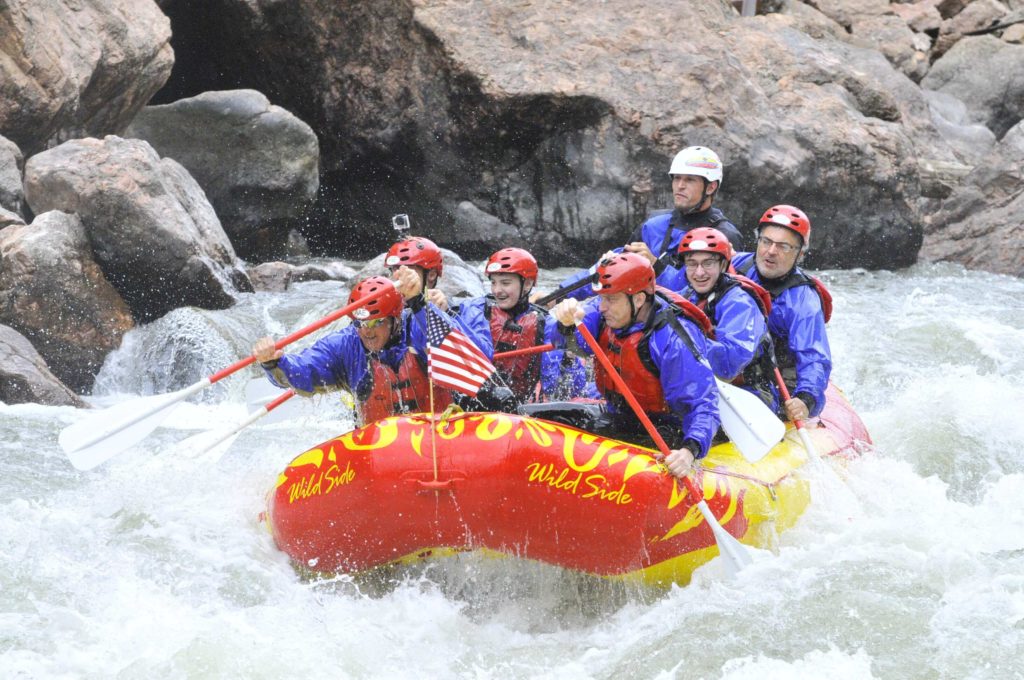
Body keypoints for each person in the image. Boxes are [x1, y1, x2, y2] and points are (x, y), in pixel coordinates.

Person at [539, 252, 720, 476]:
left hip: (666, 430)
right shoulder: (604, 312)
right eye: (602, 298)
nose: (602, 307)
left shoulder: (672, 339)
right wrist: (565, 324)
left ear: (639, 299)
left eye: (611, 299)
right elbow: (572, 345)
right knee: (542, 419)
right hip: (620, 416)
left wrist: (689, 451)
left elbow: (703, 404)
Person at [251, 269, 483, 425]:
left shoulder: (418, 326)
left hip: (440, 438)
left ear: (395, 319)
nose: (366, 331)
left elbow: (459, 351)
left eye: (375, 322)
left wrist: (419, 302)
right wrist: (274, 362)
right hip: (378, 452)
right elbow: (305, 372)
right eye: (359, 323)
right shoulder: (346, 344)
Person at [545, 146, 743, 303]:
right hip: (641, 316)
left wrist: (656, 267)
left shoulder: (725, 236)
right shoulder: (653, 226)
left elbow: (704, 294)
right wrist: (558, 295)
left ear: (711, 187)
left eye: (689, 180)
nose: (680, 186)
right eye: (676, 179)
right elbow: (613, 270)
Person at [452, 247, 589, 409]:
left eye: (505, 283)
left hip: (518, 411)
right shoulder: (476, 310)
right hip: (471, 405)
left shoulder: (544, 324)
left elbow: (558, 391)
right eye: (493, 282)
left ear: (528, 284)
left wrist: (568, 357)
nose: (497, 290)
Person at [732, 205, 833, 423]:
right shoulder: (735, 264)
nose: (771, 251)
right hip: (734, 361)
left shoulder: (803, 301)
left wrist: (806, 399)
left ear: (800, 254)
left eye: (784, 246)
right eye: (766, 241)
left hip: (777, 377)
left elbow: (814, 357)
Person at [667, 227, 777, 408]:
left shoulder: (740, 303)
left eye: (708, 263)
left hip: (749, 393)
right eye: (692, 264)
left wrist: (680, 339)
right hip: (705, 387)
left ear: (723, 265)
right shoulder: (686, 296)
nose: (699, 272)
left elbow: (728, 365)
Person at [384, 235, 494, 358]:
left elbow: (483, 357)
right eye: (394, 270)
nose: (398, 278)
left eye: (408, 271)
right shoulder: (388, 316)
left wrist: (445, 314)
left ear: (431, 275)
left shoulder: (465, 311)